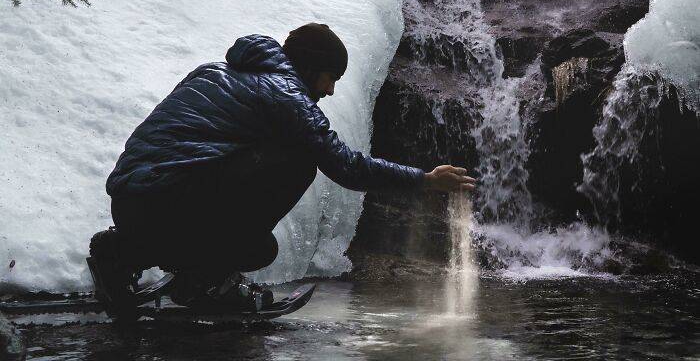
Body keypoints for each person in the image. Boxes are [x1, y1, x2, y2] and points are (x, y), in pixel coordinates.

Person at [91, 23, 475, 313]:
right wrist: (424, 180)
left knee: (253, 197)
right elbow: (344, 166)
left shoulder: (214, 72)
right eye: (331, 78)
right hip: (168, 204)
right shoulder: (286, 96)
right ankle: (207, 283)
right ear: (312, 68)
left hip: (130, 205)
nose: (330, 91)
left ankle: (122, 254)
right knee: (281, 199)